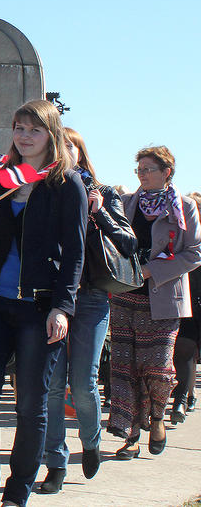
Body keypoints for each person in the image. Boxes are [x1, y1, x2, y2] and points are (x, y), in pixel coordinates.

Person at [0, 99, 88, 507]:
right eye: (18, 128)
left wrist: (63, 307)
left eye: (34, 130)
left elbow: (76, 254)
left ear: (51, 136)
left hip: (39, 309)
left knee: (31, 404)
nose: (24, 136)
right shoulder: (0, 180)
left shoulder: (67, 185)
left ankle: (17, 493)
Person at [39, 128, 135, 493]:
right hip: (51, 298)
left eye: (69, 146)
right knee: (50, 386)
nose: (63, 152)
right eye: (57, 147)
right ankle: (56, 465)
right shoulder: (45, 191)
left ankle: (91, 442)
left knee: (83, 383)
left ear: (80, 151)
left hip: (92, 297)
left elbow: (129, 243)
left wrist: (99, 213)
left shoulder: (105, 193)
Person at [107, 146, 201, 460]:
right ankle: (131, 434)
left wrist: (152, 270)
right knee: (125, 369)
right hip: (125, 297)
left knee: (158, 370)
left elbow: (194, 254)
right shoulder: (127, 203)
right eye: (139, 170)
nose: (142, 175)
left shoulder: (184, 207)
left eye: (148, 169)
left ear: (166, 173)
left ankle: (158, 417)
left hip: (163, 301)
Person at [170, 192, 201, 424]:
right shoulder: (177, 233)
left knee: (186, 351)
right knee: (183, 351)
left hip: (195, 301)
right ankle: (182, 398)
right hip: (181, 298)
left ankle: (184, 397)